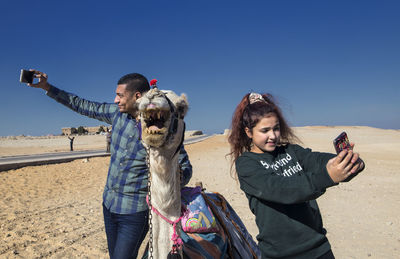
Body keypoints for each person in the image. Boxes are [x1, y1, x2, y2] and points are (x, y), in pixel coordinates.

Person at [26, 70, 193, 259]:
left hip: (135, 211)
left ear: (137, 96)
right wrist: (47, 87)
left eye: (120, 95)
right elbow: (81, 105)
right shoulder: (117, 114)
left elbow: (184, 165)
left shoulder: (159, 126)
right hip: (109, 204)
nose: (115, 100)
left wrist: (171, 176)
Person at [228, 93, 365, 259]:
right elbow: (282, 190)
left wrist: (348, 163)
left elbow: (318, 161)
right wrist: (328, 176)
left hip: (318, 248)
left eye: (276, 128)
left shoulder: (291, 151)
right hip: (280, 254)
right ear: (249, 132)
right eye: (265, 130)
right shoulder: (247, 164)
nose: (272, 136)